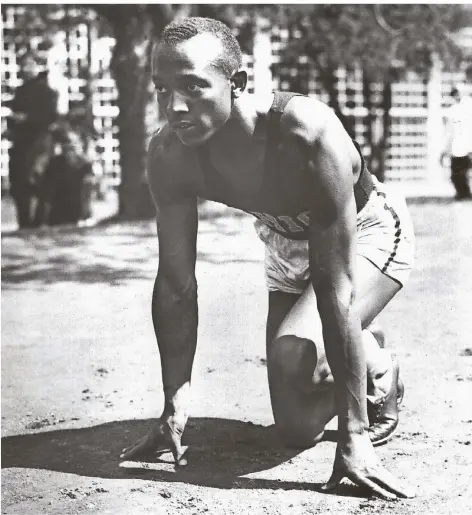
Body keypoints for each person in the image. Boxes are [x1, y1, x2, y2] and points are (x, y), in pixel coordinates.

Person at [121, 17, 415, 499]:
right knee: (296, 429)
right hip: (284, 241)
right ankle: (356, 347)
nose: (174, 106)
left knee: (292, 351)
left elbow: (335, 284)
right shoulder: (169, 153)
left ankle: (377, 368)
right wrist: (174, 406)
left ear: (236, 83)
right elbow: (176, 283)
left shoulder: (306, 133)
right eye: (162, 89)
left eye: (194, 86)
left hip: (364, 233)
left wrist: (354, 435)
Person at [7, 52, 59, 228]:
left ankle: (39, 221)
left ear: (38, 67)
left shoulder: (48, 92)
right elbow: (13, 115)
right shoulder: (20, 91)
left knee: (38, 181)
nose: (25, 69)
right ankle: (24, 222)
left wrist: (27, 118)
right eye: (23, 65)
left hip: (39, 142)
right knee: (19, 183)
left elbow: (50, 117)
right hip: (21, 143)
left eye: (29, 65)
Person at [441, 86, 472, 200]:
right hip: (457, 148)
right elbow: (449, 132)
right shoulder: (453, 110)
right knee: (457, 173)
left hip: (465, 147)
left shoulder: (466, 108)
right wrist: (445, 149)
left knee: (462, 173)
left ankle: (464, 193)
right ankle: (462, 193)